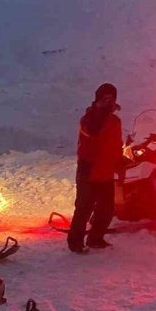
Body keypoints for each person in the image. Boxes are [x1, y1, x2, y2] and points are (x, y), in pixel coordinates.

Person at [67, 83, 125, 253]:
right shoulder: (89, 118)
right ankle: (75, 242)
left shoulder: (115, 121)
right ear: (97, 99)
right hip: (89, 171)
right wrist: (100, 111)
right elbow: (92, 131)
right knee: (84, 208)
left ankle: (96, 238)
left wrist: (120, 160)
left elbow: (116, 144)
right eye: (104, 98)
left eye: (111, 98)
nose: (108, 102)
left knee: (106, 210)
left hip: (106, 171)